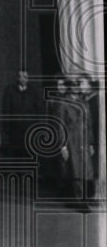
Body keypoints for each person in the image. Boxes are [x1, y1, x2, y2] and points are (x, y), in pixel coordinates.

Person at [51, 78, 92, 211]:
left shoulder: (84, 103)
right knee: (75, 172)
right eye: (73, 85)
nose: (75, 87)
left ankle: (80, 199)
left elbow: (88, 124)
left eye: (77, 84)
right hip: (71, 141)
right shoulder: (63, 103)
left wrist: (91, 143)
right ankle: (80, 202)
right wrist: (63, 145)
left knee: (85, 171)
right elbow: (60, 126)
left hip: (84, 140)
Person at [0, 70, 44, 159]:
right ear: (17, 77)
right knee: (17, 155)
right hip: (15, 130)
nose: (23, 79)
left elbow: (39, 110)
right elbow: (6, 110)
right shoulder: (9, 90)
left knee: (30, 154)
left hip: (30, 129)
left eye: (25, 77)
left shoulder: (34, 91)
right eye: (21, 77)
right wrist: (7, 128)